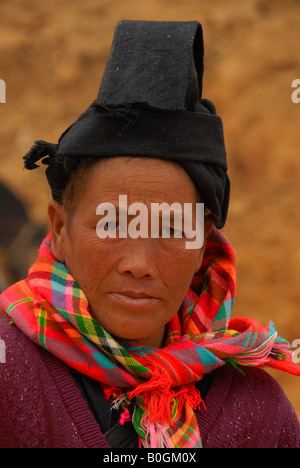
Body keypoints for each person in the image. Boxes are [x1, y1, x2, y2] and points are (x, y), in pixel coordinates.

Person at [0, 20, 299, 449]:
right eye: (112, 224)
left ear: (204, 246)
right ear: (60, 229)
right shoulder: (9, 381)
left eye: (173, 229)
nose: (138, 265)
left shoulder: (258, 414)